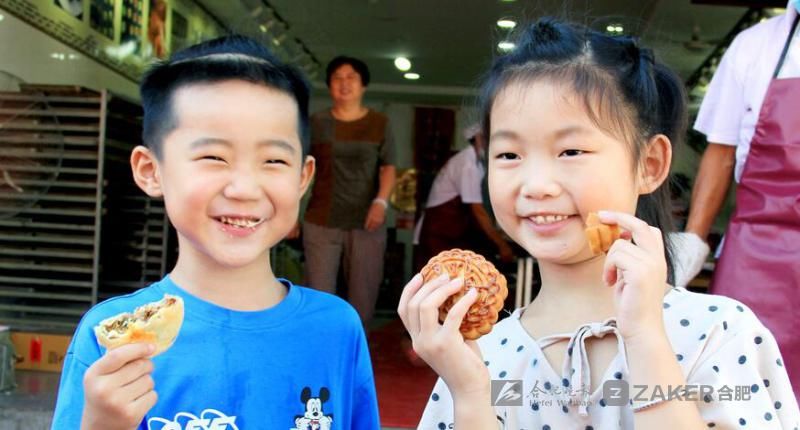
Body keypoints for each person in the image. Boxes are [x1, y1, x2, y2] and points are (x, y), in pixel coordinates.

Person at [398, 18, 799, 429]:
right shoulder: (482, 357)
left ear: (649, 164)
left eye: (571, 151)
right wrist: (470, 395)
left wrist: (645, 339)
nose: (536, 185)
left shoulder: (715, 333)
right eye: (508, 155)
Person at [51, 36, 379, 429]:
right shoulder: (110, 337)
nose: (244, 188)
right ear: (150, 170)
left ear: (302, 177)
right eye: (213, 157)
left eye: (274, 160)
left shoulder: (336, 328)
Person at [672, 0, 800, 397]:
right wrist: (694, 239)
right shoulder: (753, 45)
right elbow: (721, 152)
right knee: (741, 385)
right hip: (758, 255)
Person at [298, 55, 396, 328]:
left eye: (351, 77)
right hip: (321, 217)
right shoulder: (316, 123)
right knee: (318, 295)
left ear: (363, 85)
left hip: (367, 220)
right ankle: (318, 349)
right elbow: (300, 168)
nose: (344, 84)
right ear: (329, 85)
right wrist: (292, 212)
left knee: (364, 295)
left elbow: (388, 168)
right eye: (337, 78)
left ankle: (355, 348)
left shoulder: (379, 123)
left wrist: (381, 203)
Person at [414, 123, 515, 270]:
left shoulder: (477, 164)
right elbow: (477, 211)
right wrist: (501, 244)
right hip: (438, 236)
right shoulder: (467, 164)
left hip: (451, 236)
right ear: (477, 138)